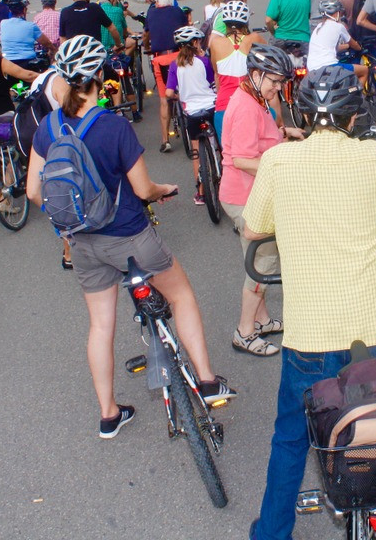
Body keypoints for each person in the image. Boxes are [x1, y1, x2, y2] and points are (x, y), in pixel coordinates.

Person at [26, 35, 236, 439]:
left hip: (83, 243)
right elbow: (142, 190)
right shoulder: (113, 126)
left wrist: (70, 223)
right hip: (129, 236)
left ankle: (108, 414)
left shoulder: (47, 128)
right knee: (181, 294)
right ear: (97, 77)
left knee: (101, 325)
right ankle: (207, 382)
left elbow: (35, 192)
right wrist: (164, 190)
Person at [243, 64, 376, 540]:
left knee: (291, 435)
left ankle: (273, 531)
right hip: (375, 325)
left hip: (311, 331)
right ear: (353, 118)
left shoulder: (278, 161)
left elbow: (253, 228)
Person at [220, 45, 305, 359]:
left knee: (259, 258)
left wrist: (284, 131)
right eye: (273, 81)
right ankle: (244, 332)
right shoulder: (245, 106)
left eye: (281, 81)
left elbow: (259, 138)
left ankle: (263, 319)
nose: (278, 87)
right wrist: (283, 164)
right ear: (254, 75)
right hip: (245, 196)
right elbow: (242, 159)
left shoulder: (254, 98)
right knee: (262, 264)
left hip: (247, 193)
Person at [165, 26, 216, 206]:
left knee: (196, 152)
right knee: (221, 145)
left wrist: (182, 96)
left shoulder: (174, 66)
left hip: (192, 112)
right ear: (195, 43)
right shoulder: (204, 61)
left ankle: (201, 193)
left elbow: (169, 93)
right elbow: (211, 82)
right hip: (210, 106)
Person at [211, 0, 265, 142]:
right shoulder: (254, 38)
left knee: (229, 151)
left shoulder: (215, 43)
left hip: (224, 104)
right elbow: (270, 62)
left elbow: (216, 71)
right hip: (250, 100)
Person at [145, 0, 189, 152]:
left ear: (157, 3)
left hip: (161, 59)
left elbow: (146, 35)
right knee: (185, 89)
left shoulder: (151, 13)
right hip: (179, 56)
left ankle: (165, 140)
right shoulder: (178, 11)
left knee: (164, 100)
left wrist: (147, 47)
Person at [59, 0, 124, 51]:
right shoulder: (95, 8)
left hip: (74, 56)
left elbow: (62, 38)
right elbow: (112, 28)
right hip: (95, 53)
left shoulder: (65, 12)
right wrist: (118, 44)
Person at [0, 0, 55, 73]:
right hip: (27, 62)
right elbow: (47, 43)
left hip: (8, 63)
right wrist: (53, 49)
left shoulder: (3, 23)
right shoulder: (31, 26)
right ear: (24, 10)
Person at [305, 0, 360, 74]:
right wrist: (360, 48)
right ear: (336, 13)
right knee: (364, 71)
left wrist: (346, 46)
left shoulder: (318, 27)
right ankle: (357, 86)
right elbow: (354, 45)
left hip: (312, 67)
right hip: (330, 65)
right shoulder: (339, 26)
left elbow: (329, 48)